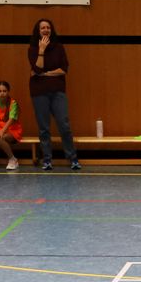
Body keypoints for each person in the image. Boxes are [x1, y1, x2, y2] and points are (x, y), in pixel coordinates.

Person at [28, 17, 81, 171]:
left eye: (48, 27)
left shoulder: (59, 47)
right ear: (38, 31)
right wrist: (41, 51)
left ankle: (73, 158)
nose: (46, 30)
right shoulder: (32, 49)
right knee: (44, 128)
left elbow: (63, 69)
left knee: (64, 125)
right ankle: (47, 160)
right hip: (39, 92)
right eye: (43, 28)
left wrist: (45, 74)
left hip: (57, 92)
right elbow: (37, 69)